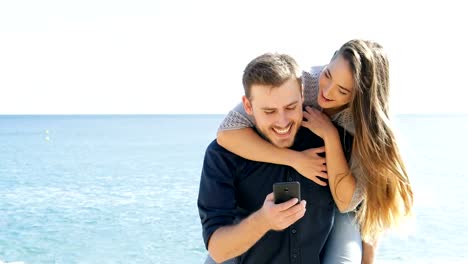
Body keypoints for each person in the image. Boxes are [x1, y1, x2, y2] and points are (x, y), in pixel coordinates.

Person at [216, 39, 414, 263]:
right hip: (312, 195)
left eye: (342, 90)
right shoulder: (305, 84)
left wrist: (329, 135)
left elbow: (349, 203)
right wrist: (295, 160)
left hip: (348, 200)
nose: (327, 91)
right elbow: (226, 132)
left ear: (360, 96)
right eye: (328, 74)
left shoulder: (363, 123)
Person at [198, 53, 353, 264]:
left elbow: (364, 216)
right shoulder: (222, 156)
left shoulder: (331, 141)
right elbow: (218, 250)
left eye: (290, 107)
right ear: (248, 106)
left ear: (302, 95)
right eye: (269, 111)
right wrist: (263, 221)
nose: (282, 122)